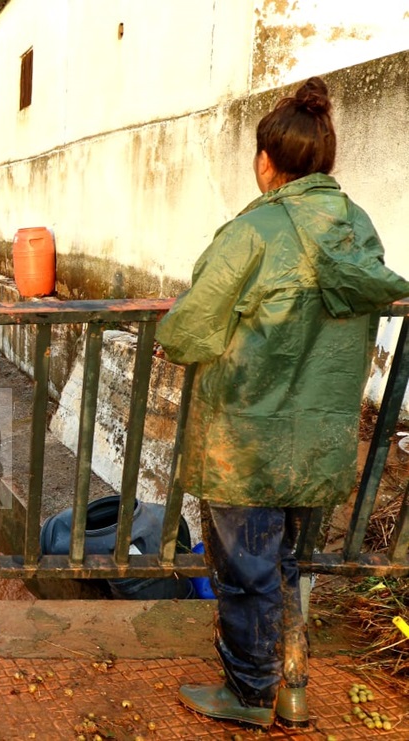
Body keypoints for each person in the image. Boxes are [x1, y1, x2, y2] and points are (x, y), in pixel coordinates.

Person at [156, 77, 409, 729]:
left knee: (244, 570)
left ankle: (247, 694)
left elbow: (191, 330)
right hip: (318, 441)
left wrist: (172, 334)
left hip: (247, 437)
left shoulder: (256, 231)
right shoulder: (358, 227)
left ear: (266, 162)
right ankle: (291, 685)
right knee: (286, 560)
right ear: (324, 162)